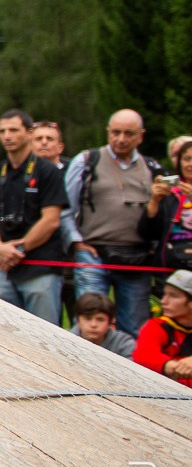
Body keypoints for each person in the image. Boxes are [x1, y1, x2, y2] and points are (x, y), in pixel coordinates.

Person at [64, 109, 158, 342]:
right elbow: (65, 207)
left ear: (141, 136)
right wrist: (75, 241)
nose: (121, 139)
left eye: (129, 133)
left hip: (137, 258)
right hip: (93, 253)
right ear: (107, 132)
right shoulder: (87, 161)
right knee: (88, 327)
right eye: (115, 132)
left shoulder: (152, 168)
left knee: (135, 329)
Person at [0, 109, 69, 325]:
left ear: (29, 133)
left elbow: (51, 219)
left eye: (13, 130)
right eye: (2, 131)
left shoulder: (48, 172)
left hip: (40, 265)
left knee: (46, 334)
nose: (7, 136)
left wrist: (19, 248)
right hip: (2, 267)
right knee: (0, 330)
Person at [132, 269, 191, 387]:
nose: (163, 301)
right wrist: (176, 367)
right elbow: (143, 355)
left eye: (173, 296)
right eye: (164, 294)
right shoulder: (157, 326)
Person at [142, 137, 192, 275]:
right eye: (187, 159)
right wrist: (154, 201)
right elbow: (147, 233)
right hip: (172, 264)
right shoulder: (170, 192)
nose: (190, 164)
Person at [69, 291, 138, 359]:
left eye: (100, 320)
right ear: (78, 320)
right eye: (88, 318)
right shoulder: (66, 340)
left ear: (110, 322)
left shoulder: (123, 344)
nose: (93, 325)